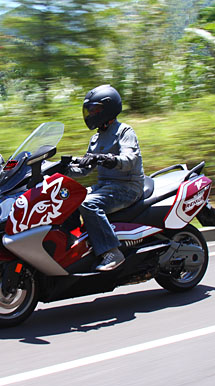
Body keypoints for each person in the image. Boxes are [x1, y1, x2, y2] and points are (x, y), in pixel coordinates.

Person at [68, 84, 145, 271]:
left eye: (95, 110)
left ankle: (112, 252)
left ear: (108, 109)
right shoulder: (96, 139)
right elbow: (85, 170)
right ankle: (73, 246)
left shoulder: (124, 131)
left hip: (127, 187)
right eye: (89, 110)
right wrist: (61, 169)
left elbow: (130, 160)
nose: (90, 114)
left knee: (88, 203)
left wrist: (106, 159)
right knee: (68, 198)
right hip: (105, 186)